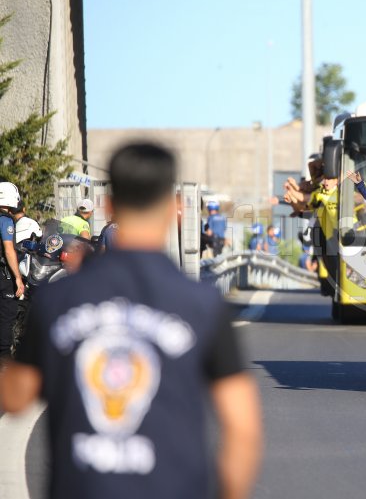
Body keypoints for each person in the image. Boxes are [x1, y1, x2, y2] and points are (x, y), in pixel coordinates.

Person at [0, 142, 262, 499]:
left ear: (109, 207)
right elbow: (243, 429)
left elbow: (16, 397)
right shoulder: (201, 304)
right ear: (175, 210)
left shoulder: (57, 300)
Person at [0, 181, 24, 360]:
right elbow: (9, 250)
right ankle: (4, 359)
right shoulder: (5, 220)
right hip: (3, 276)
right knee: (6, 316)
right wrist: (17, 277)